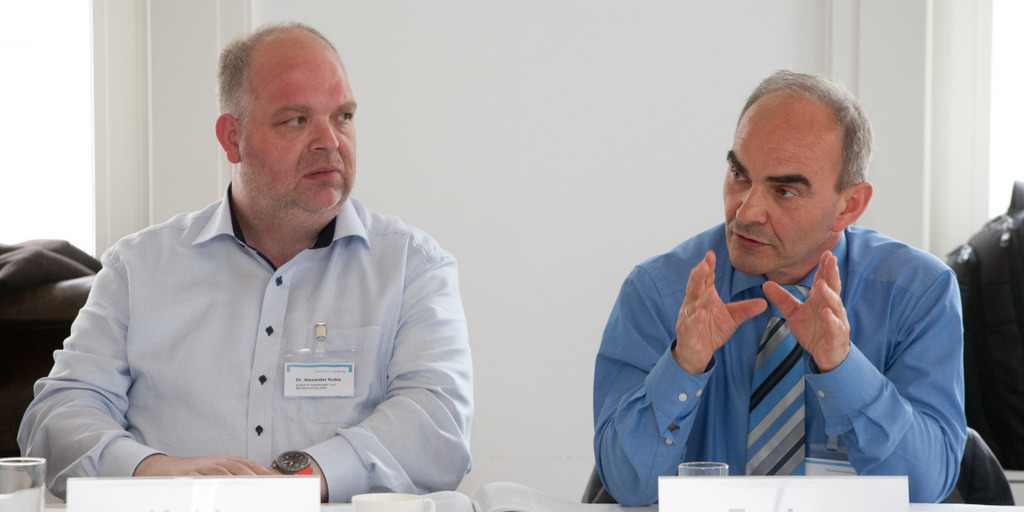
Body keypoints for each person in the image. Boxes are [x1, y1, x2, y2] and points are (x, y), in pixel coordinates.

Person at [18, 22, 473, 502]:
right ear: (232, 138)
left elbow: (438, 423)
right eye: (296, 120)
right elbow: (56, 415)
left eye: (342, 116)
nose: (330, 142)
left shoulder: (411, 267)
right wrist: (154, 470)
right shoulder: (139, 268)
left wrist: (305, 478)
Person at [592, 71, 965, 506]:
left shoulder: (917, 294)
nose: (746, 211)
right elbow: (625, 486)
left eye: (784, 191)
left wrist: (842, 368)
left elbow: (925, 489)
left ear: (849, 205)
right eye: (739, 175)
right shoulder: (661, 292)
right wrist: (684, 365)